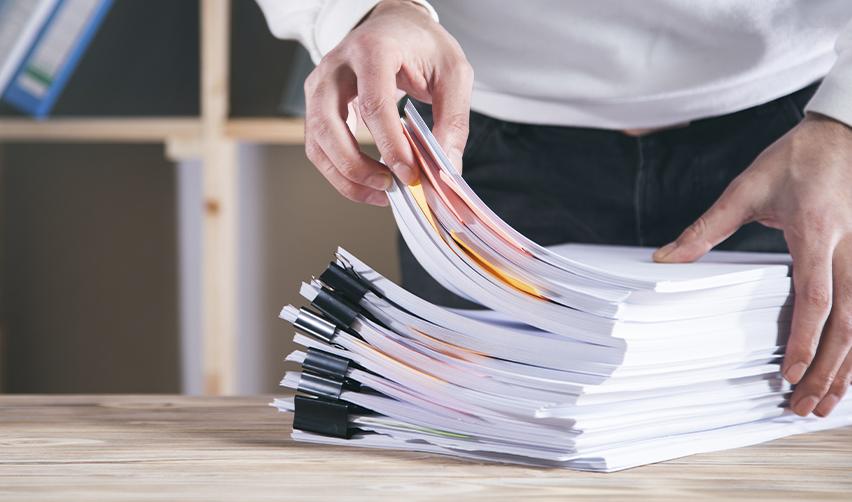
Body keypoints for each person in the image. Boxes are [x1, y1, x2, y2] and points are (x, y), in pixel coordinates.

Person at [256, 0, 852, 419]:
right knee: (475, 452)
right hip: (476, 130)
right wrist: (365, 10)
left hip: (802, 139)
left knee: (788, 427)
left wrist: (845, 122)